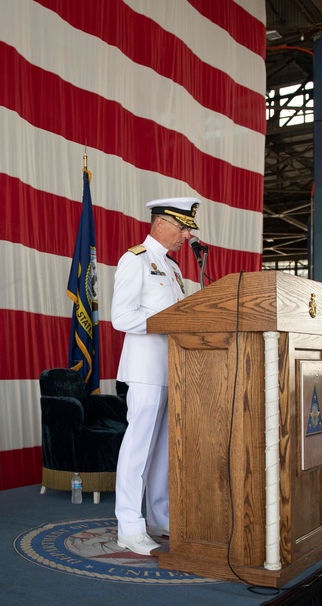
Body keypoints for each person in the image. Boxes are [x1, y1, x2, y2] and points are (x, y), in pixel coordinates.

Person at [111, 197, 198, 555]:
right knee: (138, 448)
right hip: (145, 370)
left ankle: (159, 517)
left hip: (172, 370)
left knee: (163, 450)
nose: (186, 236)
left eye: (187, 229)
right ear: (160, 223)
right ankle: (129, 527)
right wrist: (169, 323)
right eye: (181, 227)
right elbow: (121, 317)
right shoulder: (135, 260)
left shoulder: (173, 269)